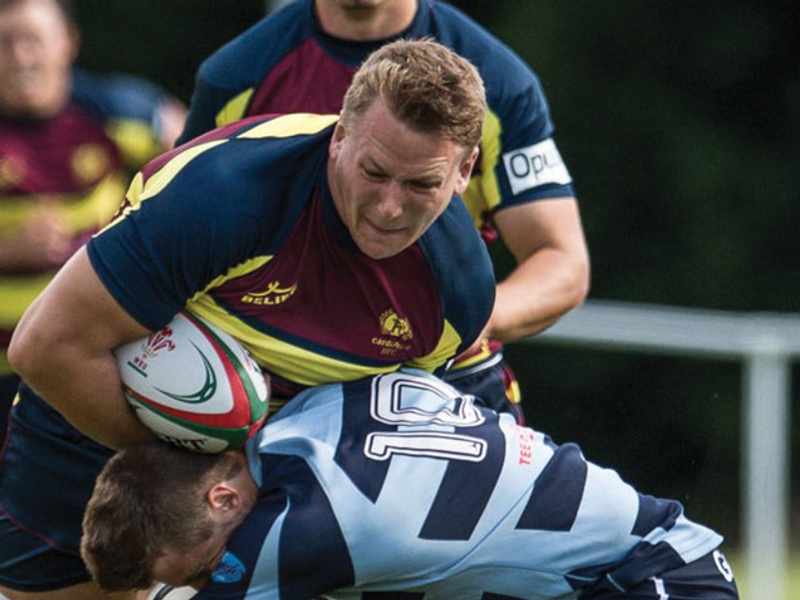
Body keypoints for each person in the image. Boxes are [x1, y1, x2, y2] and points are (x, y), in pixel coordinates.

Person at [0, 39, 496, 599]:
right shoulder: (225, 198)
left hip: (271, 479)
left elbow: (415, 442)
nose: (389, 208)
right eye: (374, 172)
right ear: (339, 138)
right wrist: (184, 463)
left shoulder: (457, 291)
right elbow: (45, 347)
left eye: (421, 185)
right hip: (91, 424)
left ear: (463, 172)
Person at [176, 0, 592, 422]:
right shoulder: (237, 75)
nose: (390, 206)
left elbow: (560, 260)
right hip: (267, 381)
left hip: (430, 381)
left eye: (420, 181)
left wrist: (467, 322)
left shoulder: (499, 84)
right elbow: (176, 241)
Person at [81, 368, 739, 600]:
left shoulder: (302, 534)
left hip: (652, 579)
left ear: (222, 497)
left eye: (201, 570)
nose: (210, 578)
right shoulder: (308, 410)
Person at [0, 0, 186, 446]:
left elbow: (208, 174)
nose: (21, 57)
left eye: (33, 41)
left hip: (97, 366)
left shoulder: (122, 113)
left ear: (68, 43)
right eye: (5, 44)